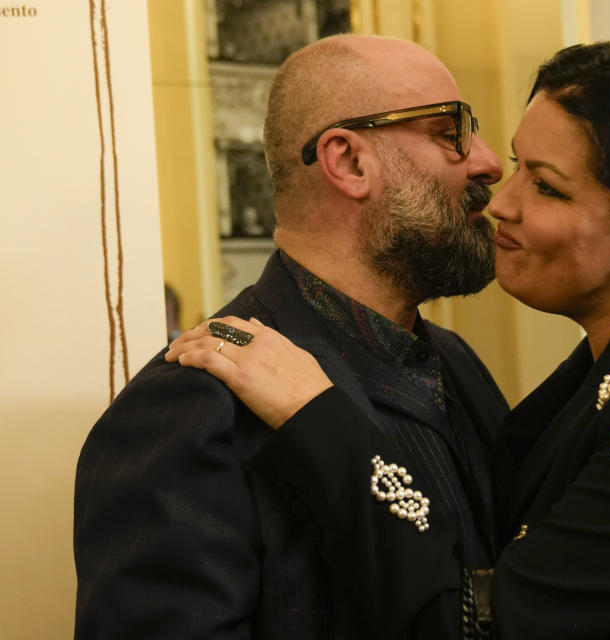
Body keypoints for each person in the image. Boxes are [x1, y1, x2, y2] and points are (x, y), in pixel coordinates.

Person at [169, 39, 610, 638]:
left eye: (549, 187)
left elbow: (483, 624)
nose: (500, 198)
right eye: (518, 163)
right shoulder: (190, 411)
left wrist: (322, 425)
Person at [74, 34, 507, 638]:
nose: (488, 162)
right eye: (449, 132)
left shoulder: (457, 364)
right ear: (349, 161)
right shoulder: (193, 406)